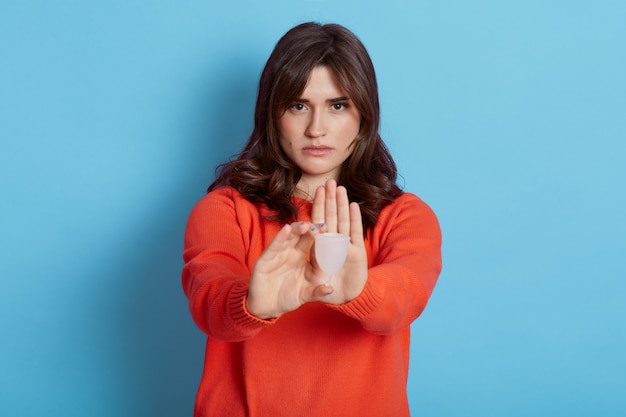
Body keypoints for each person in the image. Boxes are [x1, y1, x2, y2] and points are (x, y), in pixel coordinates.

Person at [182, 22, 442, 417]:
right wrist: (251, 303)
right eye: (298, 105)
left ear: (364, 117)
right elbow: (208, 302)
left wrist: (359, 291)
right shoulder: (224, 210)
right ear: (273, 114)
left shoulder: (405, 216)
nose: (316, 128)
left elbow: (404, 299)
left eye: (338, 106)